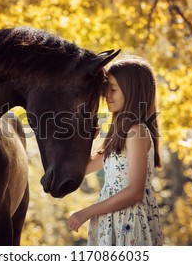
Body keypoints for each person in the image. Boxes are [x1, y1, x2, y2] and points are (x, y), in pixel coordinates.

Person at [67, 56, 163, 246]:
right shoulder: (119, 136)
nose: (106, 96)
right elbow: (83, 169)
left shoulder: (136, 132)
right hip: (110, 222)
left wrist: (86, 212)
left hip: (128, 224)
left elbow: (135, 192)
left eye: (112, 89)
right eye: (105, 90)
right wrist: (88, 138)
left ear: (132, 92)